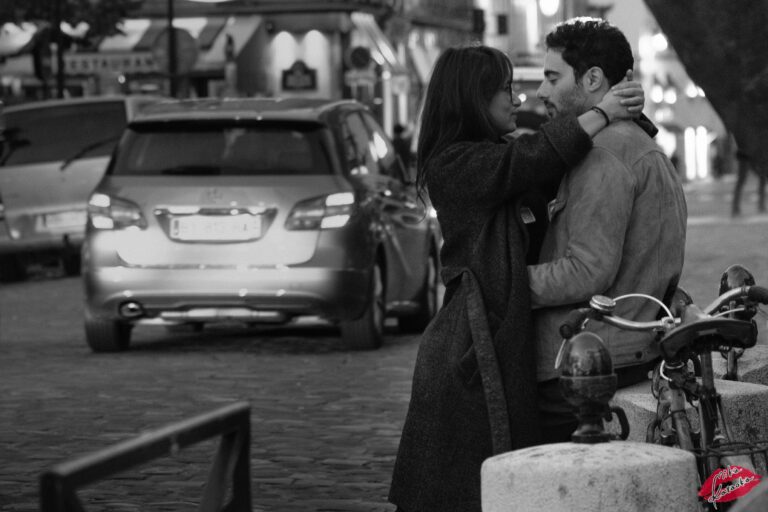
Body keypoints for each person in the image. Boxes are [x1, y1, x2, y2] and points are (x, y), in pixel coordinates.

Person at [388, 43, 644, 512]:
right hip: (469, 346)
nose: (517, 99)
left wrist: (616, 114)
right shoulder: (454, 164)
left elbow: (548, 160)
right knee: (461, 490)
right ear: (474, 97)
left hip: (503, 336)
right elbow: (533, 157)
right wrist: (604, 111)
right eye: (505, 89)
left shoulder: (499, 152)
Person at [527, 17, 688, 442]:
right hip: (624, 352)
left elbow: (586, 270)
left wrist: (505, 281)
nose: (541, 91)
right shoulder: (637, 143)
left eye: (552, 77)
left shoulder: (604, 154)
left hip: (585, 366)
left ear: (593, 79)